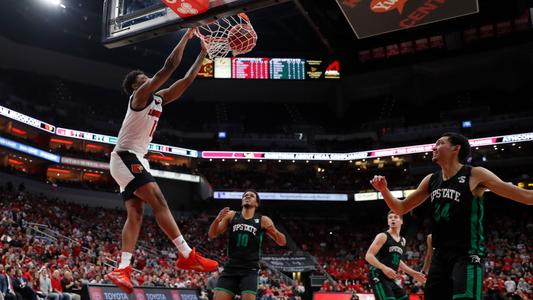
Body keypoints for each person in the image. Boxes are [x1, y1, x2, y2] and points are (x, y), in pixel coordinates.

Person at [107, 28, 218, 294]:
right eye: (143, 78)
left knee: (136, 214)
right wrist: (187, 35)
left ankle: (122, 269)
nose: (148, 80)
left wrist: (202, 53)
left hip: (133, 160)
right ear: (136, 85)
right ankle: (185, 253)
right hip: (125, 156)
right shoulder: (140, 96)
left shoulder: (158, 98)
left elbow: (186, 80)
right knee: (159, 201)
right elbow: (169, 67)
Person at [370, 132, 533, 299]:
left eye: (440, 143)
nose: (434, 147)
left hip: (467, 253)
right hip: (440, 255)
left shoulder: (475, 174)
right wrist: (384, 190)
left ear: (456, 148)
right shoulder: (431, 179)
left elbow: (526, 197)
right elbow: (401, 207)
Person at [208, 190, 287, 300]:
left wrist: (273, 230)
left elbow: (282, 242)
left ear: (256, 203)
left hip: (250, 269)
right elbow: (212, 234)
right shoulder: (231, 215)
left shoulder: (263, 220)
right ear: (241, 201)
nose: (248, 197)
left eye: (251, 196)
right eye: (245, 195)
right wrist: (217, 220)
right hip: (231, 267)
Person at [365, 211, 426, 300]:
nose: (392, 219)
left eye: (395, 217)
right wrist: (384, 268)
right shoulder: (383, 236)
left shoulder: (403, 240)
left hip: (390, 278)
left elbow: (398, 261)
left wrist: (412, 273)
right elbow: (368, 256)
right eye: (390, 217)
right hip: (377, 274)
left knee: (404, 298)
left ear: (402, 221)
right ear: (388, 222)